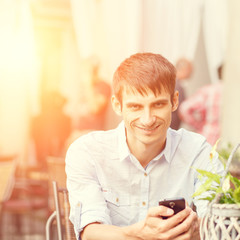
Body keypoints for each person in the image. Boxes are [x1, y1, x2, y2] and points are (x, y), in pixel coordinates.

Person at [65, 53, 223, 240]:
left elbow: (217, 223)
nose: (147, 120)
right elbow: (89, 233)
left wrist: (197, 229)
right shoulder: (87, 152)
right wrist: (140, 234)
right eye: (135, 107)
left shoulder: (198, 151)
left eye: (158, 104)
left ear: (174, 101)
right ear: (117, 105)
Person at [179, 65, 223, 145]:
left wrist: (198, 125)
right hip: (228, 142)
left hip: (209, 138)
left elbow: (184, 108)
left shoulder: (209, 91)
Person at [170, 58, 193, 130]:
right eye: (190, 70)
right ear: (184, 69)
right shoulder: (175, 84)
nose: (191, 73)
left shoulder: (175, 82)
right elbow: (181, 108)